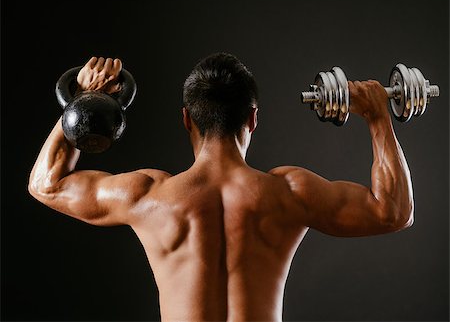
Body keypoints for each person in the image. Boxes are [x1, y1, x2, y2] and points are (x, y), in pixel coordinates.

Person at [28, 54, 414, 321]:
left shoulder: (149, 197)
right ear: (252, 119)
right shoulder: (290, 193)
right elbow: (393, 211)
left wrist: (83, 102)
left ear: (186, 121)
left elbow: (47, 184)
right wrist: (378, 115)